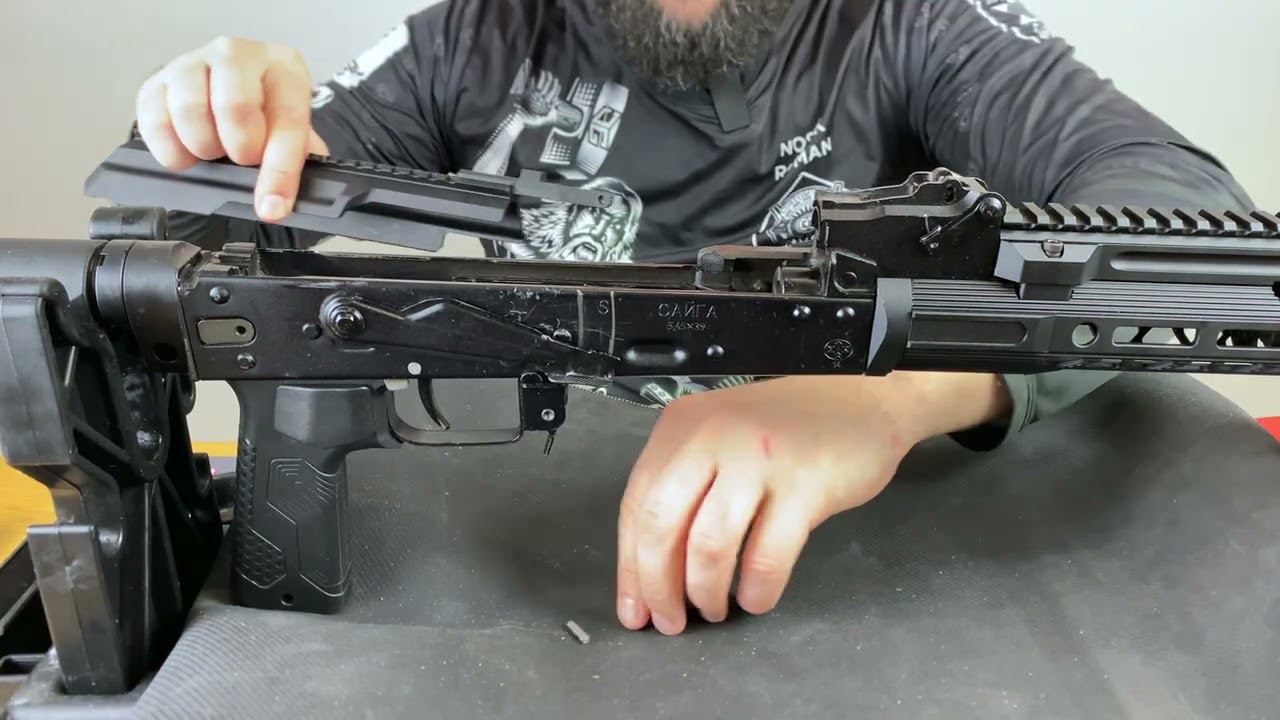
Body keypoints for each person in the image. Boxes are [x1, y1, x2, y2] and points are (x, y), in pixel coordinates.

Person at [133, 0, 1254, 637]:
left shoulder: (911, 25)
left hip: (859, 585)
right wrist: (214, 137)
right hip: (517, 572)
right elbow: (168, 249)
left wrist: (892, 397)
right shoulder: (475, 35)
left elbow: (1192, 227)